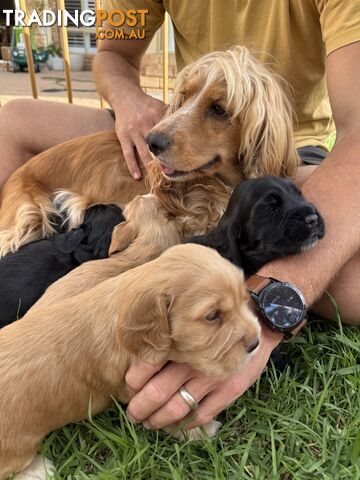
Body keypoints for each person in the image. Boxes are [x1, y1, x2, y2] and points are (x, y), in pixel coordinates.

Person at [0, 0, 359, 433]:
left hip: (288, 150)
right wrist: (132, 103)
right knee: (15, 119)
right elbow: (113, 54)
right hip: (164, 125)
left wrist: (276, 298)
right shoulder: (166, 131)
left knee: (350, 279)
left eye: (219, 109)